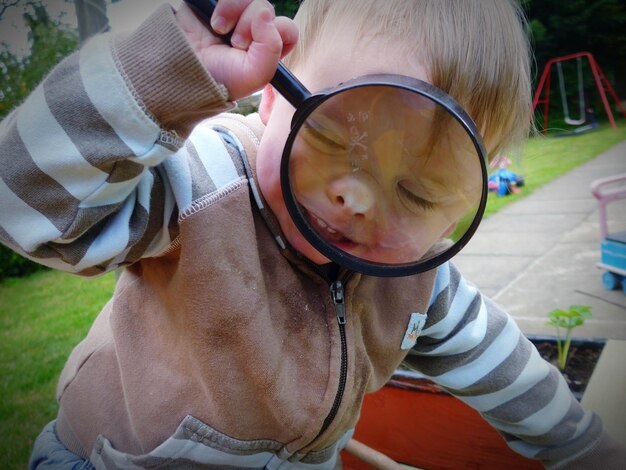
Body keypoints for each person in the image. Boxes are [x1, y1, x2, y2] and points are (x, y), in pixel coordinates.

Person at [0, 0, 623, 468]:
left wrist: (589, 451)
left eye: (417, 193)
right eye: (328, 134)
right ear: (271, 101)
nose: (357, 197)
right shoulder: (204, 185)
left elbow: (509, 373)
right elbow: (22, 203)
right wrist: (151, 78)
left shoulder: (418, 278)